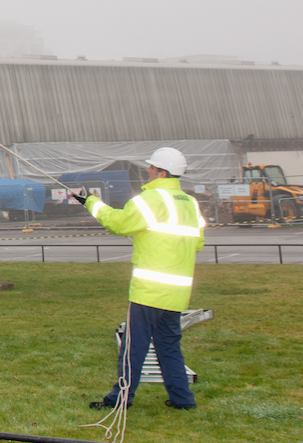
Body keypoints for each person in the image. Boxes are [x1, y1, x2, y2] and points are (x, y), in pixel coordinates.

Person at [76, 147, 205, 411]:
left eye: (152, 167)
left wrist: (90, 202)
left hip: (149, 291)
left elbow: (118, 223)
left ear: (162, 172)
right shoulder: (190, 203)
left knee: (134, 347)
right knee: (169, 346)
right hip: (176, 293)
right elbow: (198, 243)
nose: (147, 171)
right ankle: (182, 399)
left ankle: (121, 399)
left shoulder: (151, 199)